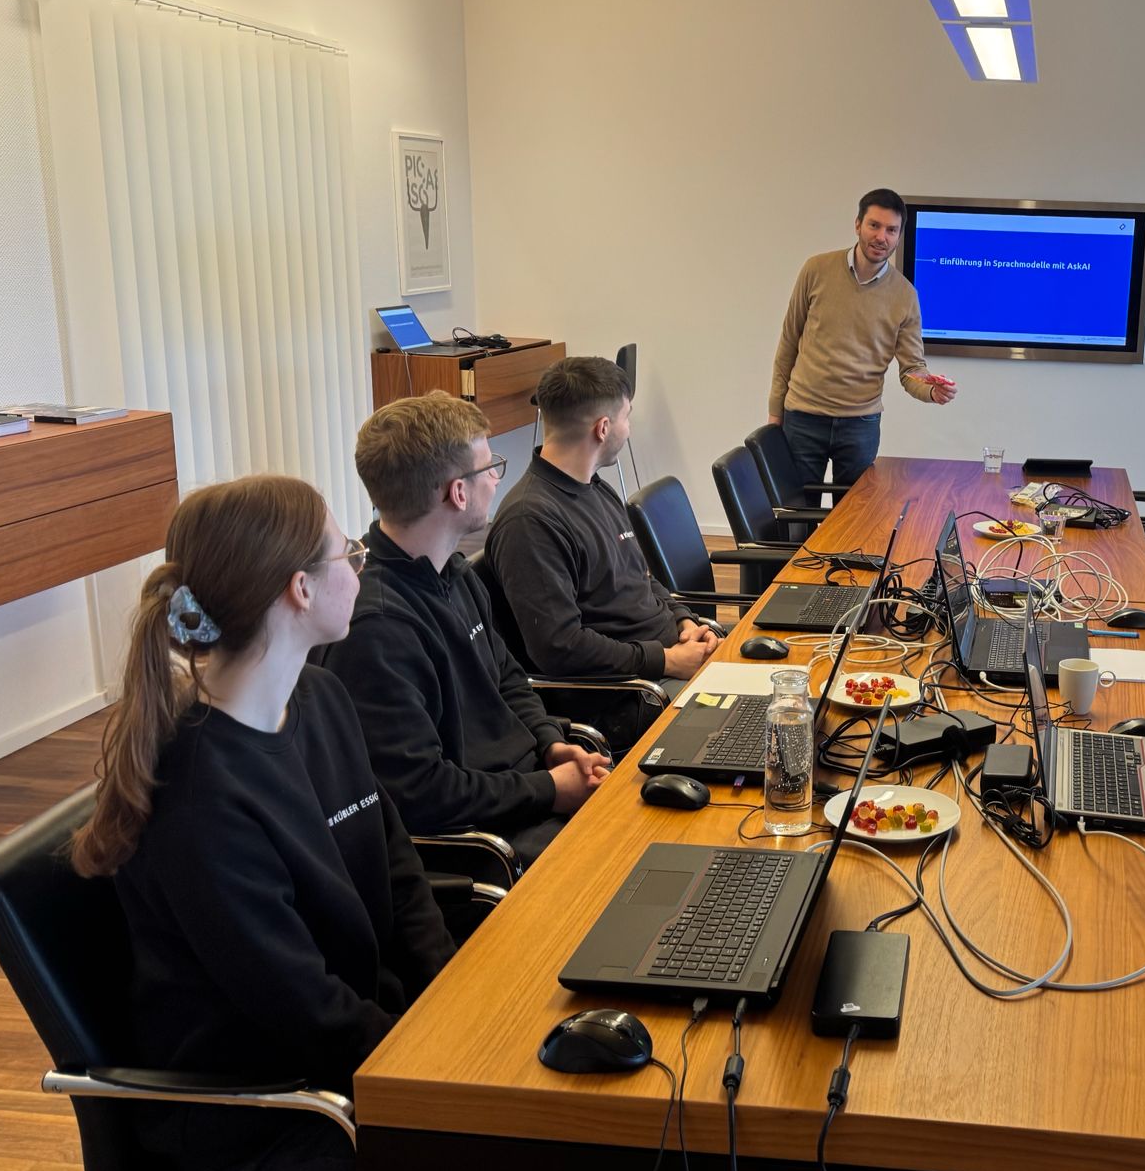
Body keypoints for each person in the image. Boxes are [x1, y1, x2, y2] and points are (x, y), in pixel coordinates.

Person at [70, 474, 456, 1171]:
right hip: (274, 1119)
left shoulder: (321, 699)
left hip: (354, 1058)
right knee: (526, 1170)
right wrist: (441, 1070)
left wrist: (453, 999)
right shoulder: (200, 800)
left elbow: (396, 867)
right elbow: (304, 1011)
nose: (361, 565)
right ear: (300, 590)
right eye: (347, 552)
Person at [317, 392, 610, 867]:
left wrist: (551, 744)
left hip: (525, 795)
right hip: (488, 841)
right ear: (458, 493)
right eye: (489, 467)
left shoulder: (455, 572)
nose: (496, 478)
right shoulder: (377, 630)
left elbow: (508, 678)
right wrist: (549, 789)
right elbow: (424, 792)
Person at [486, 355, 719, 755]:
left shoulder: (595, 487)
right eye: (627, 417)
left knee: (781, 691)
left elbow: (641, 578)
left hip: (662, 665)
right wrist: (665, 660)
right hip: (623, 697)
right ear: (604, 427)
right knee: (765, 723)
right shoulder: (530, 521)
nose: (629, 429)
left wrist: (684, 621)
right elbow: (560, 647)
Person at [767, 187, 958, 487]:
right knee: (796, 512)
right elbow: (789, 343)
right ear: (858, 225)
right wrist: (774, 411)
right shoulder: (816, 270)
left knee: (855, 514)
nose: (882, 237)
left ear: (899, 236)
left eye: (891, 230)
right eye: (874, 225)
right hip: (803, 417)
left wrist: (932, 391)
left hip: (860, 425)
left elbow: (911, 370)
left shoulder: (905, 295)